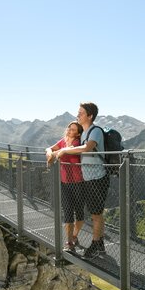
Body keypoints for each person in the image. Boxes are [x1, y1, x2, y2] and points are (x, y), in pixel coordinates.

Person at [53, 102, 109, 259]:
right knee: (95, 213)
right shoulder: (84, 132)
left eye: (81, 113)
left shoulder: (95, 131)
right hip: (88, 179)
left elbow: (87, 148)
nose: (78, 115)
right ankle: (100, 244)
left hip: (98, 178)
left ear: (90, 116)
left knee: (96, 214)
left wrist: (64, 150)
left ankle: (96, 244)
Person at [45, 121, 85, 253]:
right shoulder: (63, 141)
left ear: (78, 133)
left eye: (73, 129)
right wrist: (50, 152)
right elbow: (49, 148)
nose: (69, 130)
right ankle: (69, 242)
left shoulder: (77, 144)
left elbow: (65, 152)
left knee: (79, 213)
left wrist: (55, 154)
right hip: (64, 182)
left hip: (78, 183)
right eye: (69, 128)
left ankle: (74, 236)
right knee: (67, 212)